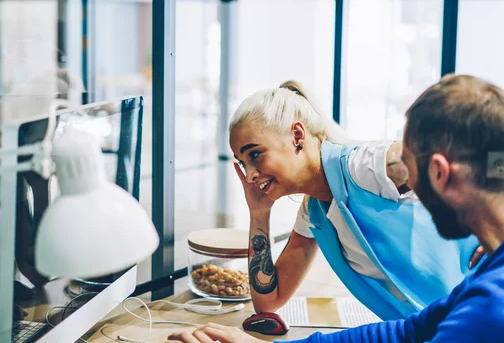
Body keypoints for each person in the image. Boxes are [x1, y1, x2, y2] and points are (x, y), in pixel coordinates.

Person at [169, 74, 504, 343]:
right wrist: (259, 213)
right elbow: (269, 303)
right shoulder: (315, 211)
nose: (251, 174)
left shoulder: (366, 166)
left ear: (297, 136)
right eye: (243, 163)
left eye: (255, 154)